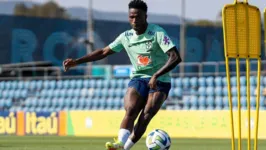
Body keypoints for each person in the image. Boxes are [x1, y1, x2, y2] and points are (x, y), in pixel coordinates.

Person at [63, 0, 182, 149]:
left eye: (138, 17)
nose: (134, 20)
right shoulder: (126, 37)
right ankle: (119, 143)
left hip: (160, 80)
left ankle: (124, 148)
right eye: (131, 17)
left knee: (146, 115)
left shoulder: (157, 32)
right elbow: (103, 52)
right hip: (138, 78)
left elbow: (176, 57)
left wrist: (156, 75)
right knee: (131, 109)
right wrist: (77, 61)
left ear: (146, 16)